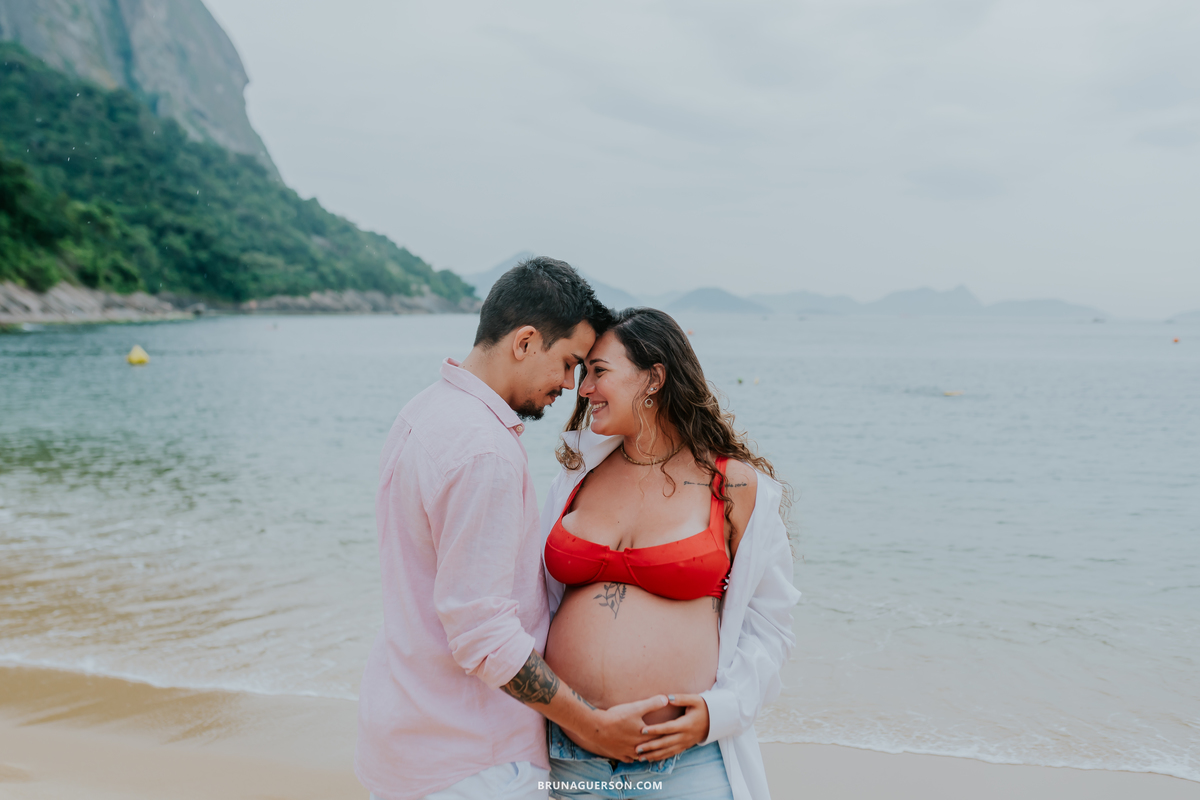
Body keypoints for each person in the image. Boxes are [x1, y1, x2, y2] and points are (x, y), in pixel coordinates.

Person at [356, 259, 671, 800]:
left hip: (408, 744)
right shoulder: (485, 451)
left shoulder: (422, 412)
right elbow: (482, 636)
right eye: (570, 362)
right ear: (525, 342)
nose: (572, 386)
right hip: (476, 763)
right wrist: (591, 726)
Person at [539, 307, 800, 800]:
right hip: (569, 760)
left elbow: (772, 627)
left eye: (599, 372)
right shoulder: (577, 476)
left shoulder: (735, 485)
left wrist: (717, 714)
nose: (584, 389)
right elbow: (535, 607)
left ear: (653, 378)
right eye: (582, 374)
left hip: (687, 764)